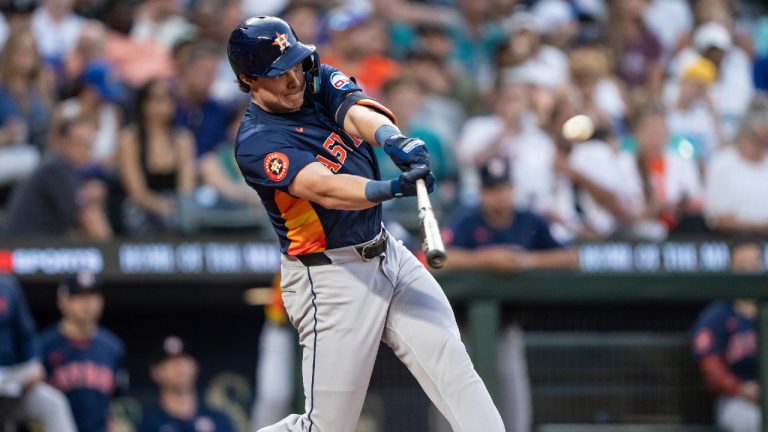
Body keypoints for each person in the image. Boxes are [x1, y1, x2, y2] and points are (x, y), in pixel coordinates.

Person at [228, 16, 503, 431]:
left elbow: (356, 113)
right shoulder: (257, 140)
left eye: (295, 65)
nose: (293, 79)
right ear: (249, 80)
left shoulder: (313, 78)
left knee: (454, 368)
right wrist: (391, 188)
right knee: (325, 427)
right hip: (331, 277)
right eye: (277, 74)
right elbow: (323, 187)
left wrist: (396, 141)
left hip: (387, 252)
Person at [441, 156, 578, 432]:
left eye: (504, 188)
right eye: (492, 190)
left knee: (513, 410)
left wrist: (528, 261)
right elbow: (438, 258)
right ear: (481, 192)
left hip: (508, 328)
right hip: (462, 329)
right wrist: (487, 259)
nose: (499, 196)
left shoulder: (529, 220)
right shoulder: (467, 220)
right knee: (454, 406)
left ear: (513, 189)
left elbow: (572, 256)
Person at [39, 271, 127, 432]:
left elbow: (118, 403)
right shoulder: (43, 345)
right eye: (79, 296)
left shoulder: (113, 347)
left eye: (93, 295)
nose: (88, 303)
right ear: (62, 302)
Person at [691, 242, 763, 432]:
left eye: (755, 263)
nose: (749, 269)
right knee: (748, 421)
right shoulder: (718, 315)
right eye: (742, 264)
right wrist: (741, 389)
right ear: (731, 268)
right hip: (738, 399)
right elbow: (710, 366)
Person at [3, 115, 112, 239]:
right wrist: (112, 251)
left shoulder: (67, 169)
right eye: (79, 143)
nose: (85, 149)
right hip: (24, 246)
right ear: (63, 142)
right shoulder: (56, 168)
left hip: (39, 243)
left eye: (88, 144)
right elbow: (86, 214)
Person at [117, 78, 197, 236]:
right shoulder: (129, 139)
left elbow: (186, 187)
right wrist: (162, 207)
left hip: (175, 206)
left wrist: (178, 211)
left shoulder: (183, 140)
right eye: (158, 99)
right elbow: (136, 191)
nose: (165, 105)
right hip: (142, 206)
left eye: (169, 99)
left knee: (189, 216)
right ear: (144, 104)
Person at [0, 274, 78, 432]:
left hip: (8, 379)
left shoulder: (6, 285)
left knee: (53, 404)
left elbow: (27, 334)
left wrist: (35, 363)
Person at [140, 335, 235, 432]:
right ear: (155, 372)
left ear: (196, 366)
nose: (178, 364)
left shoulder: (219, 420)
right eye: (168, 360)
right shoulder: (149, 425)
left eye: (184, 357)